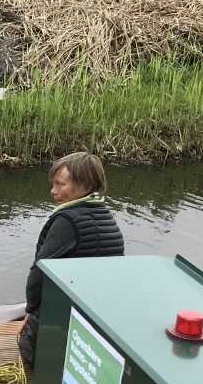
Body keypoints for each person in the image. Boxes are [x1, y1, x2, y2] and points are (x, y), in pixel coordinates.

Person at [19, 152, 124, 369]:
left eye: (60, 185)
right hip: (97, 316)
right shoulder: (105, 215)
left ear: (84, 187)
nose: (53, 191)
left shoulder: (68, 221)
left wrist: (30, 309)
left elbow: (39, 274)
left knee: (25, 345)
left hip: (67, 318)